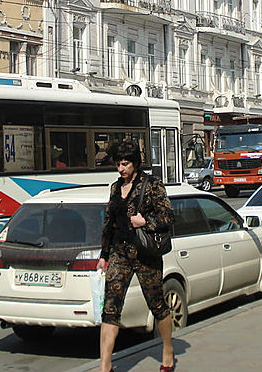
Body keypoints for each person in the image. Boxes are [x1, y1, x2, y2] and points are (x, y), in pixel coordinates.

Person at [97, 141, 175, 372]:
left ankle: (168, 350)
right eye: (118, 164)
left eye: (125, 164)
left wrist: (146, 222)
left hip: (144, 254)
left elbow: (169, 216)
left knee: (157, 305)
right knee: (110, 310)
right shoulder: (114, 188)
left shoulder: (151, 186)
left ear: (135, 163)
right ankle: (104, 366)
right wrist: (104, 254)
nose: (120, 169)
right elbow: (108, 223)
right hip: (119, 255)